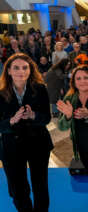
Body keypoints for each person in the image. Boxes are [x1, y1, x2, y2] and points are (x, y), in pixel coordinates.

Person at [0, 53, 53, 212]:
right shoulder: (0, 94)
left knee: (40, 187)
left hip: (38, 144)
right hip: (12, 147)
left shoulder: (40, 89)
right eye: (16, 68)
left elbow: (47, 118)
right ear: (8, 70)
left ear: (30, 70)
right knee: (17, 189)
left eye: (24, 67)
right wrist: (11, 121)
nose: (20, 71)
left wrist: (34, 115)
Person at [57, 65, 88, 212]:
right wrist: (69, 116)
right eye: (78, 78)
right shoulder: (70, 97)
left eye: (85, 78)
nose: (82, 81)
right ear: (73, 82)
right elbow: (62, 127)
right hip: (82, 144)